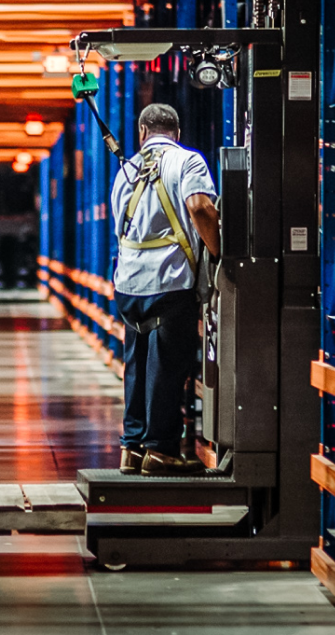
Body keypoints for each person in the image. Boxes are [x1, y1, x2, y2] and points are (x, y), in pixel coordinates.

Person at [110, 103, 220, 476]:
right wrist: (219, 253)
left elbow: (119, 227)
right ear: (178, 132)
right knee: (169, 368)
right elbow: (201, 207)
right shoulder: (188, 161)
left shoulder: (125, 171)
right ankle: (160, 450)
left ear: (142, 132)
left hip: (128, 285)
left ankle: (132, 448)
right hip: (169, 283)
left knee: (136, 366)